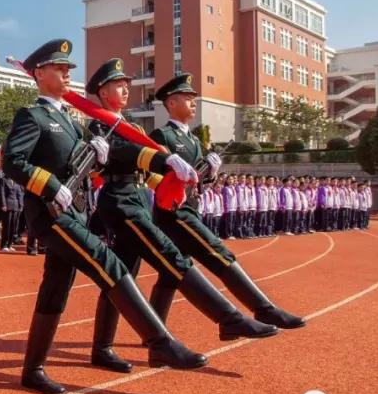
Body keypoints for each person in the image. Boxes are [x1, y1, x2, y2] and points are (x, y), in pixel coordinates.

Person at [4, 40, 209, 394]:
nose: (68, 73)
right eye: (60, 68)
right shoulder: (32, 116)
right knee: (109, 264)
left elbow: (92, 163)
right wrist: (50, 185)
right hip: (50, 216)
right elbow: (13, 162)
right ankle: (159, 340)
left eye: (69, 68)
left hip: (76, 212)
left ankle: (33, 370)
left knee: (56, 288)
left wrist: (97, 156)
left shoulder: (69, 120)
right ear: (38, 74)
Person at [84, 59, 277, 374]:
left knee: (119, 277)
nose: (126, 88)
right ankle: (228, 319)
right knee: (170, 257)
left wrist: (193, 169)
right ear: (103, 92)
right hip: (120, 200)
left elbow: (143, 159)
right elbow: (124, 152)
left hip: (136, 198)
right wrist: (165, 159)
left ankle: (102, 348)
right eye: (119, 84)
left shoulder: (127, 122)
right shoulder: (99, 123)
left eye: (126, 83)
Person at [148, 74, 305, 331]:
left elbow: (197, 183)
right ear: (172, 102)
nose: (193, 102)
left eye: (193, 97)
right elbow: (153, 176)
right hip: (174, 212)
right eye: (188, 98)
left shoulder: (194, 140)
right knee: (218, 252)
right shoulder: (162, 135)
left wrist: (210, 172)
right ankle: (264, 309)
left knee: (170, 274)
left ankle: (152, 328)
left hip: (191, 208)